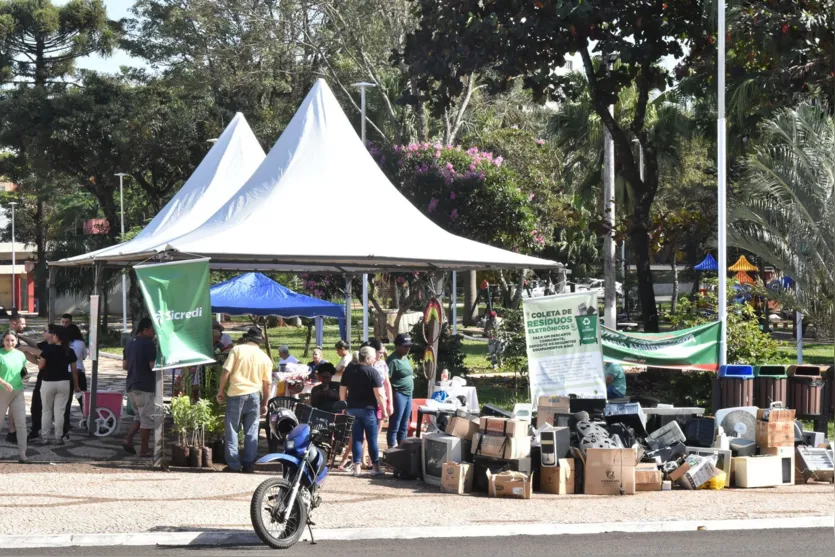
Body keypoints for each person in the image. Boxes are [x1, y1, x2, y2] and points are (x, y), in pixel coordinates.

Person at [217, 326, 271, 473]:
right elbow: (267, 383)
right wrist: (265, 402)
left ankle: (233, 464)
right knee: (252, 430)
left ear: (247, 338)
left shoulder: (237, 350)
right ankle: (249, 464)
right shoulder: (265, 357)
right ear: (259, 341)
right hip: (254, 395)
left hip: (236, 393)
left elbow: (226, 371)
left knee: (232, 429)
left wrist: (221, 390)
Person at [340, 346, 387, 477]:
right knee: (372, 439)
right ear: (367, 358)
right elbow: (380, 394)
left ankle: (357, 468)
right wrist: (384, 410)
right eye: (373, 357)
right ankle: (376, 467)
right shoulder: (372, 372)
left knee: (356, 438)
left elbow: (342, 389)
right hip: (368, 409)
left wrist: (344, 405)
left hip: (352, 408)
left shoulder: (349, 371)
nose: (375, 359)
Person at [37, 325, 79, 445]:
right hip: (64, 382)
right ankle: (58, 437)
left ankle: (44, 437)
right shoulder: (69, 351)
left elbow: (40, 366)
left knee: (46, 411)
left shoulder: (48, 349)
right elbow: (74, 371)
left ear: (56, 336)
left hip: (48, 382)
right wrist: (76, 385)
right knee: (60, 411)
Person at [123, 318, 157, 457]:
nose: (155, 333)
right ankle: (144, 449)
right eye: (153, 330)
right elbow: (152, 366)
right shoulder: (149, 344)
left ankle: (128, 438)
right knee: (146, 419)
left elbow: (124, 366)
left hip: (131, 385)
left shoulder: (130, 342)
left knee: (138, 416)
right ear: (145, 330)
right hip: (144, 386)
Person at [0, 331, 29, 462]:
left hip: (18, 391)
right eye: (7, 340)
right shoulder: (0, 354)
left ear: (16, 341)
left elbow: (23, 371)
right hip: (2, 392)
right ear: (3, 340)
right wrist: (4, 382)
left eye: (12, 340)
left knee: (21, 422)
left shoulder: (21, 355)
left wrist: (25, 377)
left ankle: (23, 453)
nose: (10, 343)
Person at [4, 315, 34, 444]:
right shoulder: (6, 338)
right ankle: (12, 431)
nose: (25, 326)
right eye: (22, 323)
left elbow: (20, 361)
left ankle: (12, 431)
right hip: (4, 381)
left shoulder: (16, 339)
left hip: (13, 382)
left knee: (13, 407)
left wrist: (24, 376)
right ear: (13, 323)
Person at [386, 333, 414, 448]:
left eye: (409, 346)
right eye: (405, 346)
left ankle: (402, 448)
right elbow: (386, 380)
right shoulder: (393, 361)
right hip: (399, 394)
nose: (407, 349)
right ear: (397, 346)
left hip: (408, 394)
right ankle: (392, 448)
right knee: (395, 424)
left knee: (404, 425)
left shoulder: (405, 358)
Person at [62, 324, 88, 439]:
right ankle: (87, 419)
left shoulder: (64, 343)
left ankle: (65, 423)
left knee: (66, 400)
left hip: (66, 372)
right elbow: (84, 357)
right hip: (79, 371)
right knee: (83, 398)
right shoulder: (81, 343)